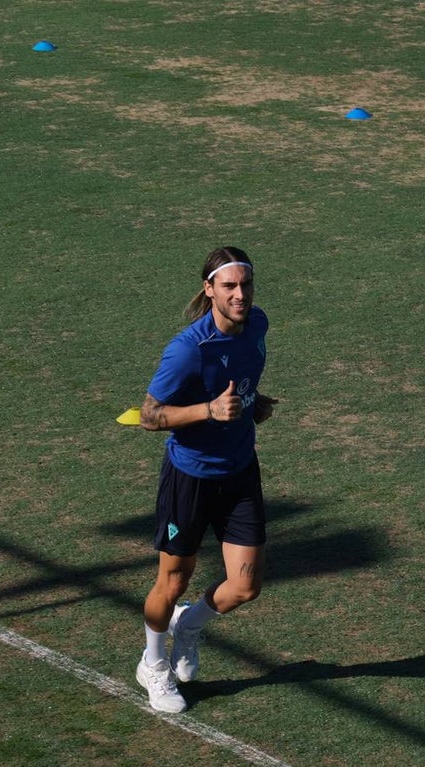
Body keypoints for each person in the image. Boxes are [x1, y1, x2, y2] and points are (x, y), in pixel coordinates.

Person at [135, 246, 278, 713]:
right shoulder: (186, 349)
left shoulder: (257, 325)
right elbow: (149, 416)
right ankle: (153, 666)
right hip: (190, 478)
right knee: (172, 582)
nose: (240, 295)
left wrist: (252, 403)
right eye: (230, 286)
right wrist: (209, 411)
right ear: (209, 290)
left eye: (246, 285)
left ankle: (190, 626)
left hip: (239, 471)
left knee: (246, 585)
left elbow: (241, 376)